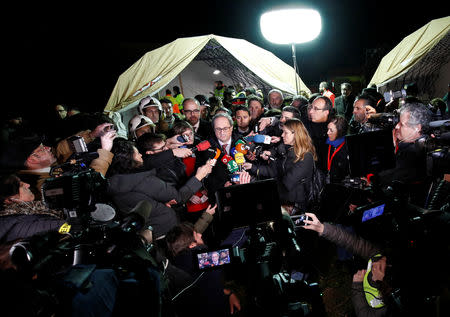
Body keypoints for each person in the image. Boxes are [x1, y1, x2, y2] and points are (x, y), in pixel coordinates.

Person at [106, 139, 213, 239]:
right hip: (165, 231)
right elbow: (179, 198)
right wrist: (199, 176)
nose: (140, 155)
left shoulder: (113, 181)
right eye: (137, 153)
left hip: (147, 230)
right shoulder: (144, 181)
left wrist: (159, 203)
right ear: (130, 160)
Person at [302, 213, 391, 317]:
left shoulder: (387, 308)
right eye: (381, 260)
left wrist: (357, 286)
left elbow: (363, 313)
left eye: (379, 268)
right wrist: (322, 228)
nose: (374, 262)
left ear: (386, 285)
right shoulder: (378, 256)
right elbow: (352, 242)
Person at [165, 221, 241, 316]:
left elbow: (207, 287)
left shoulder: (176, 263)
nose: (200, 235)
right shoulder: (203, 259)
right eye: (196, 235)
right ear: (191, 245)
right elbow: (236, 249)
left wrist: (228, 293)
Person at [244, 118, 316, 211]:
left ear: (296, 134)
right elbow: (273, 171)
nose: (282, 135)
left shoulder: (305, 157)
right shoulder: (287, 151)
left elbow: (286, 183)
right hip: (283, 200)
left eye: (285, 133)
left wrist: (259, 189)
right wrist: (252, 167)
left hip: (295, 206)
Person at [0, 174, 66, 243]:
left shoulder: (32, 207)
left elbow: (57, 194)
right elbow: (59, 226)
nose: (28, 185)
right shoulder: (20, 224)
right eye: (21, 186)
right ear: (10, 200)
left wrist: (62, 185)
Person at [304, 96, 333, 172]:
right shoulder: (304, 125)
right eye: (310, 108)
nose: (310, 112)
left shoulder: (337, 128)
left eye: (316, 109)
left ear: (326, 112)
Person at [325, 115, 350, 184]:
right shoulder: (325, 143)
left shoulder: (348, 148)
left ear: (340, 132)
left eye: (331, 130)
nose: (328, 132)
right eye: (328, 129)